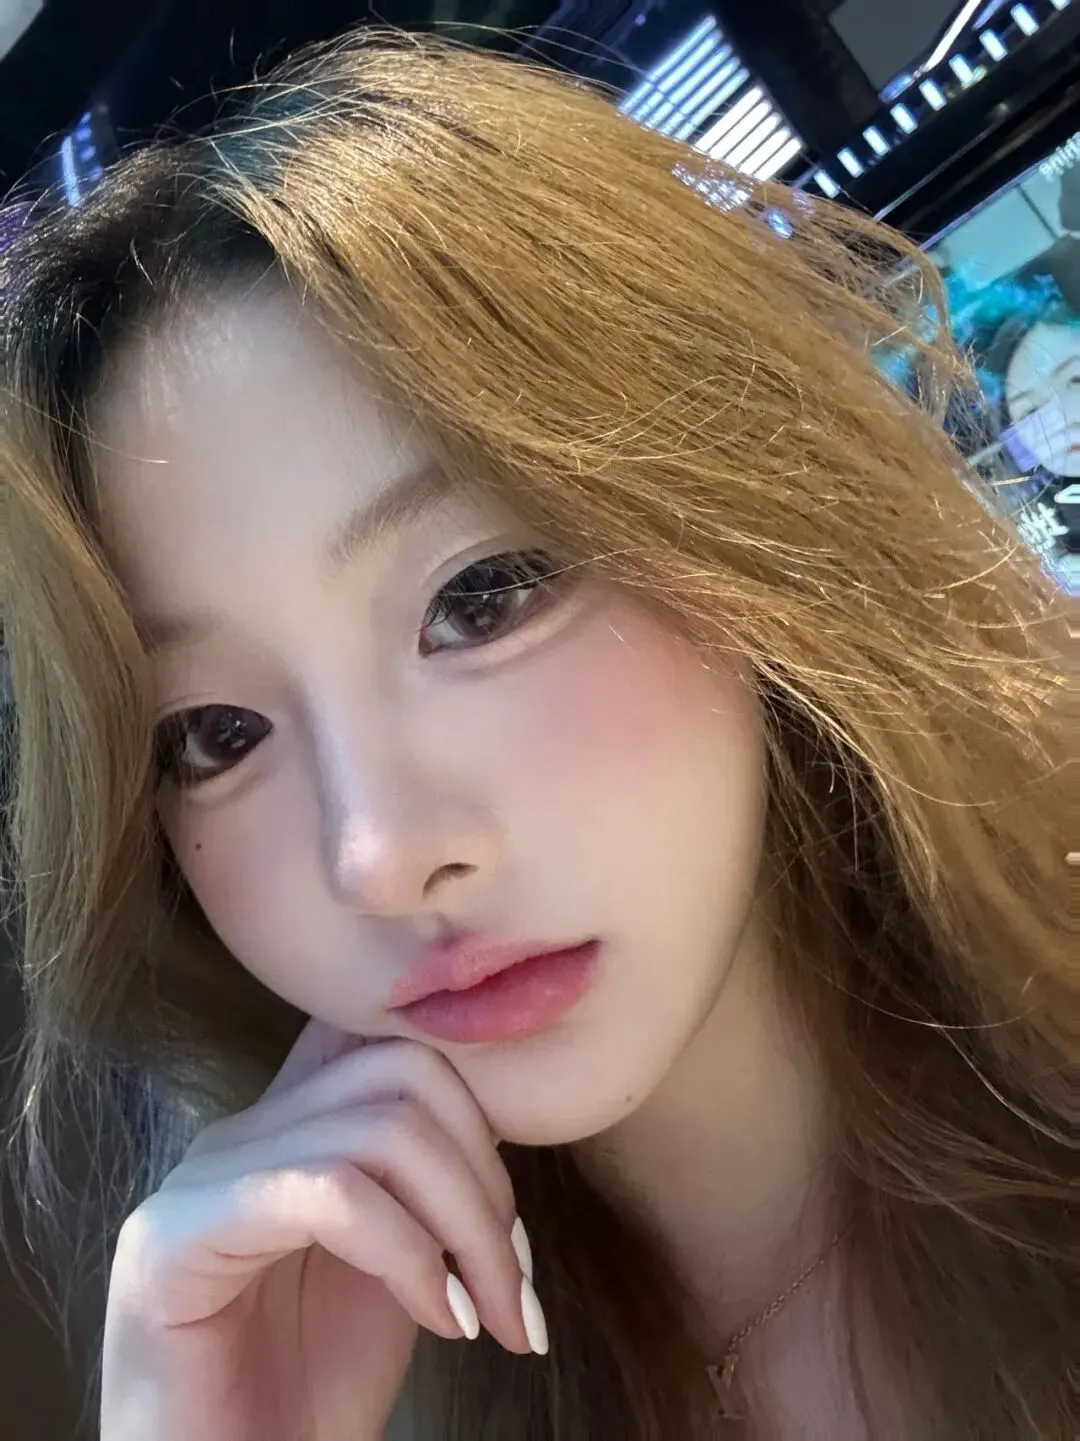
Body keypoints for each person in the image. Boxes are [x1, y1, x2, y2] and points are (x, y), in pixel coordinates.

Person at [0, 27, 1073, 1441]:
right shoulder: (336, 1376)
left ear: (749, 508)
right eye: (214, 734)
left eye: (483, 598)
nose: (378, 855)